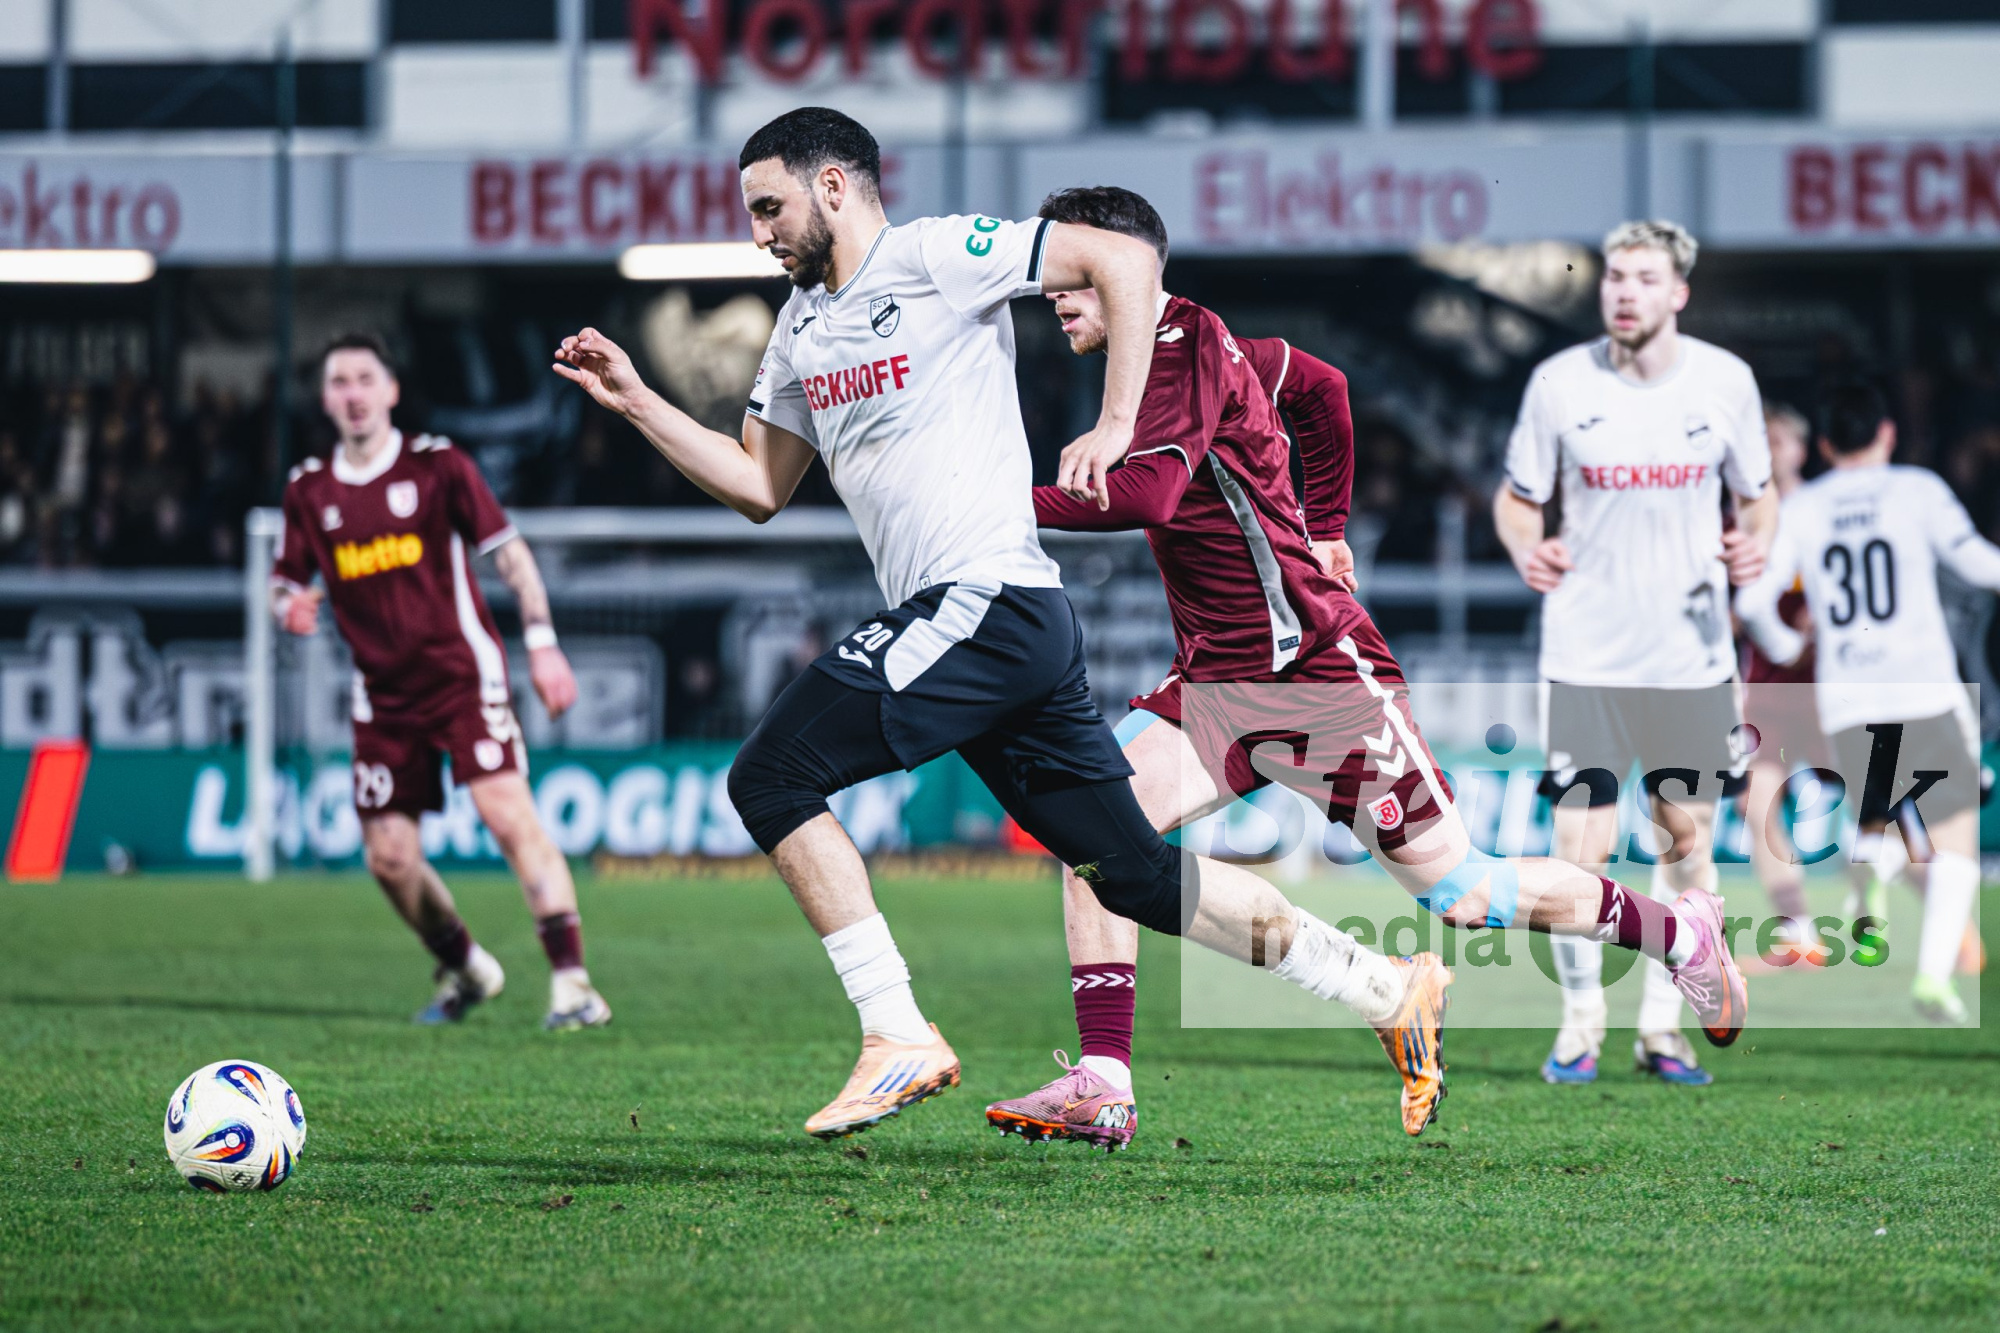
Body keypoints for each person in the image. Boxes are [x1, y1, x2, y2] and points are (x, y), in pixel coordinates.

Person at [553, 109, 1743, 1145]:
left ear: (828, 186)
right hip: (1213, 676)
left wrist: (1056, 477)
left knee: (1461, 889)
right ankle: (1126, 1074)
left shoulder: (1154, 330)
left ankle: (1673, 925)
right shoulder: (810, 327)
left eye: (1071, 289)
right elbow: (1320, 388)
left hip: (1312, 668)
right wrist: (638, 398)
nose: (1059, 304)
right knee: (1106, 859)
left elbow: (1151, 490)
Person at [1495, 219, 1776, 1087]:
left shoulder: (1726, 382)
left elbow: (1760, 498)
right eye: (1615, 275)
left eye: (1645, 278)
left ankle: (1664, 1029)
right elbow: (1517, 499)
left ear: (1678, 292)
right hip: (1586, 656)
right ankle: (1580, 1022)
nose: (1624, 291)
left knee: (1684, 843)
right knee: (1578, 850)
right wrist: (1525, 547)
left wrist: (1756, 545)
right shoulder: (1559, 382)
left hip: (1691, 659)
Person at [274, 333, 612, 1030]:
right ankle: (468, 967)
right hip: (381, 695)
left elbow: (510, 556)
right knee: (389, 858)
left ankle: (574, 985)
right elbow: (284, 580)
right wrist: (288, 605)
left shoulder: (437, 465)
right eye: (339, 381)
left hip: (462, 677)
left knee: (507, 816)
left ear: (391, 390)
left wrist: (542, 644)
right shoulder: (309, 489)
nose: (354, 393)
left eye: (365, 378)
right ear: (325, 398)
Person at [1739, 379, 1996, 1024]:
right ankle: (1933, 976)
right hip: (1922, 687)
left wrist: (1784, 645)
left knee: (1876, 814)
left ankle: (1869, 879)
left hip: (1847, 697)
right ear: (1887, 433)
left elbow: (1752, 602)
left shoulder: (1806, 508)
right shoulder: (1918, 490)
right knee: (1951, 833)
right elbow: (1977, 565)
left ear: (1824, 445)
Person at [1735, 404, 1834, 967]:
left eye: (1779, 439)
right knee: (1757, 804)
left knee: (1880, 806)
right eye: (1762, 440)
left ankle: (1949, 912)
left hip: (1828, 686)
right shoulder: (1742, 519)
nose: (1770, 450)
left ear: (1801, 448)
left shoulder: (1824, 512)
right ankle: (1797, 930)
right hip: (1768, 688)